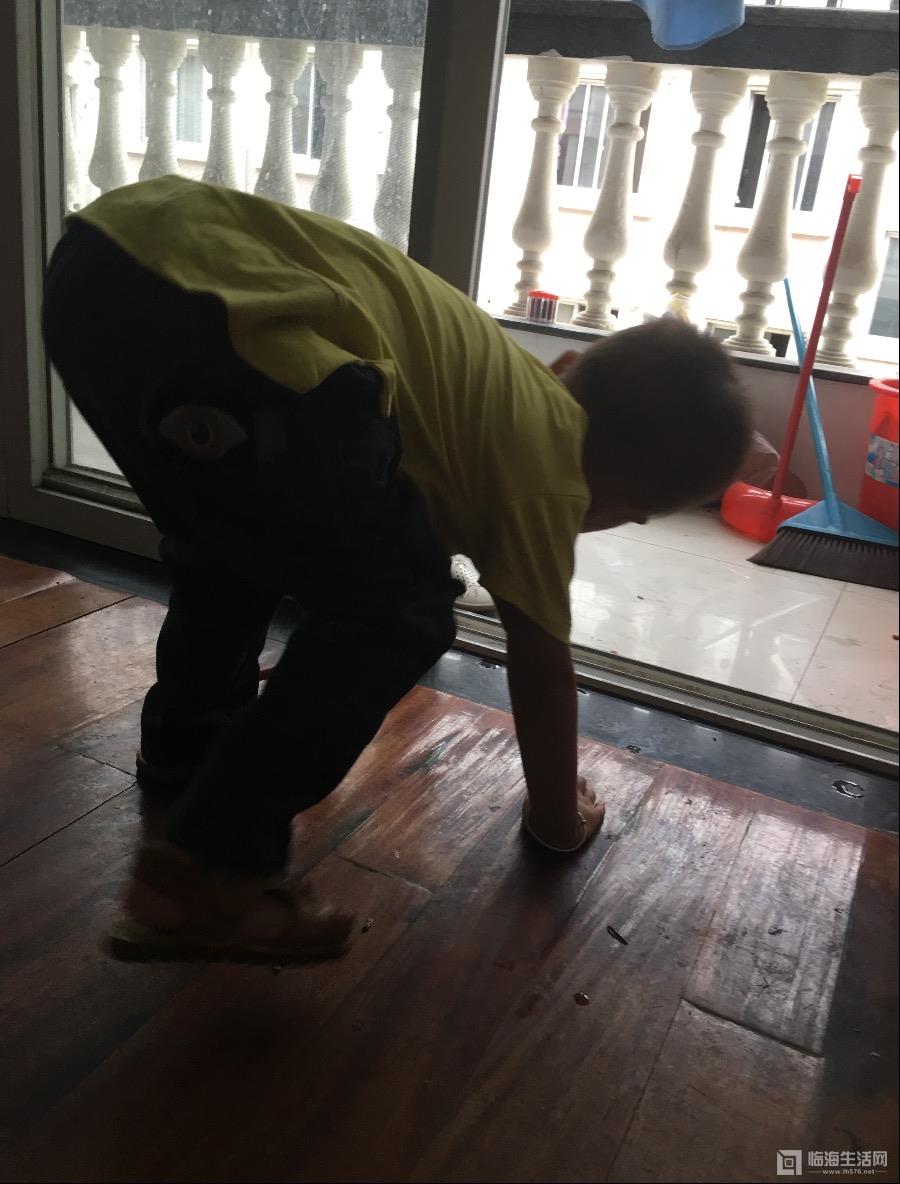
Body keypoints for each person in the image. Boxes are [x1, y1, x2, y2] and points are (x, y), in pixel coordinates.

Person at [42, 176, 752, 967]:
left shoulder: (496, 385)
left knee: (229, 548)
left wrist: (321, 661)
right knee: (400, 612)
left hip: (107, 261)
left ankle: (186, 744)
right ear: (623, 504)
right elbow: (541, 666)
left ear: (570, 365)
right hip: (234, 331)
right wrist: (561, 818)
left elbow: (353, 523)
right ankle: (212, 869)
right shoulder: (553, 474)